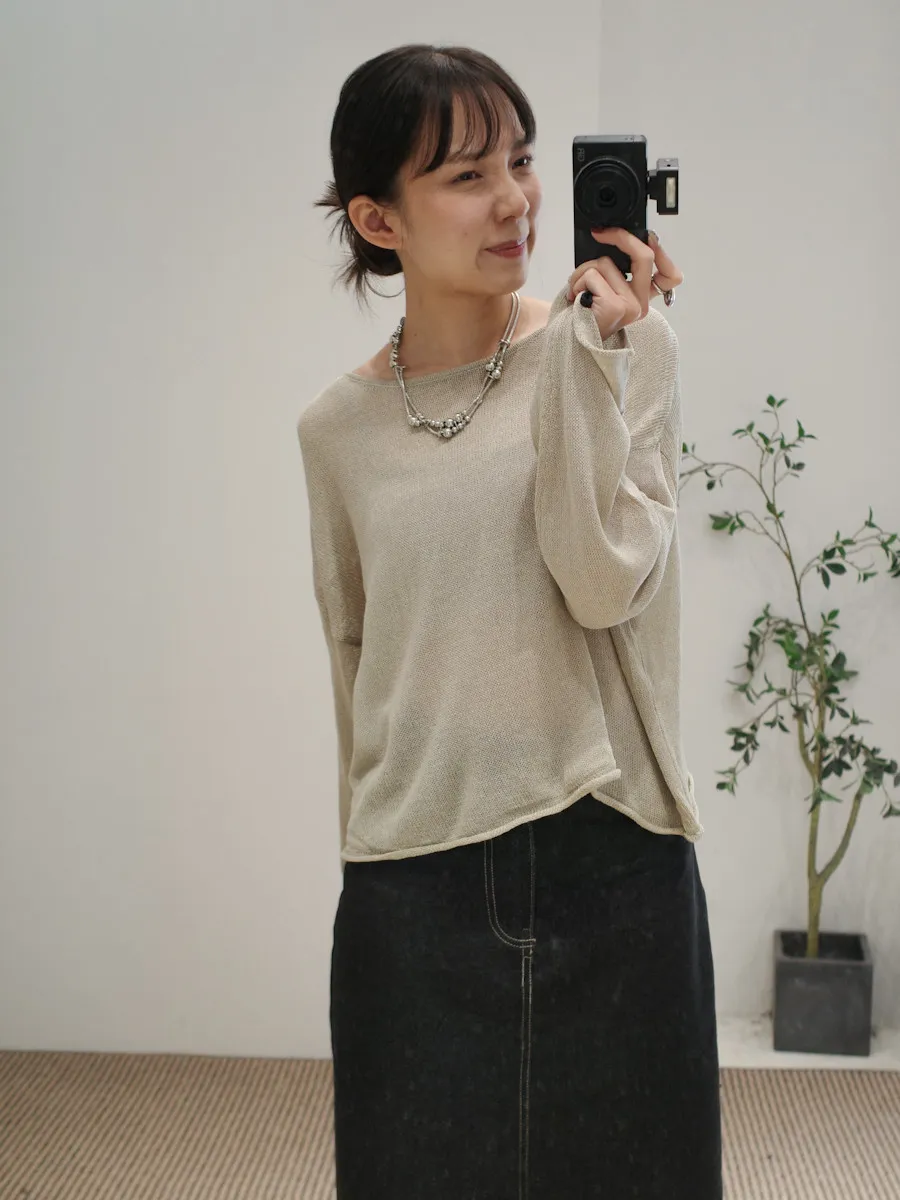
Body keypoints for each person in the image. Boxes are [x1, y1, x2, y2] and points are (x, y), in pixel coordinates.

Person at [297, 42, 722, 1200]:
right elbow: (354, 652)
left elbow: (601, 581)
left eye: (523, 162)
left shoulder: (615, 346)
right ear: (379, 220)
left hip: (613, 850)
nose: (516, 200)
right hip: (416, 879)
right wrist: (370, 857)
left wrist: (610, 356)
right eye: (467, 174)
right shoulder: (334, 432)